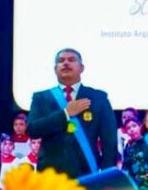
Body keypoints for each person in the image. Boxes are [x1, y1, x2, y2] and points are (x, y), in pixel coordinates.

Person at [27, 48, 117, 177]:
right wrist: (66, 113)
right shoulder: (41, 97)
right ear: (55, 69)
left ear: (81, 67)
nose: (66, 63)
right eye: (61, 61)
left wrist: (108, 175)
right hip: (50, 174)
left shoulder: (98, 97)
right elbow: (32, 129)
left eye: (71, 60)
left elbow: (109, 141)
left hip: (86, 172)